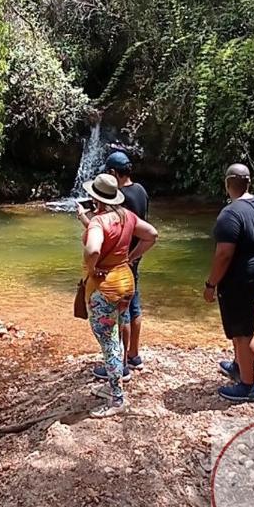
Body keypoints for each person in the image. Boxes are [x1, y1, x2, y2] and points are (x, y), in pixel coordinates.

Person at [80, 173, 158, 418]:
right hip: (126, 281)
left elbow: (93, 249)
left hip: (105, 287)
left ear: (96, 199)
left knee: (109, 343)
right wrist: (131, 257)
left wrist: (92, 270)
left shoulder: (97, 222)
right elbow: (152, 234)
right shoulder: (127, 216)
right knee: (120, 330)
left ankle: (117, 399)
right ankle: (117, 381)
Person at [203, 163, 254, 403]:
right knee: (240, 319)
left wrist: (211, 284)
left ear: (227, 184)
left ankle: (248, 386)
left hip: (242, 276)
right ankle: (238, 366)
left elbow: (223, 254)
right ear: (249, 182)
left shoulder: (230, 213)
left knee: (244, 331)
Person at [82, 150, 150, 380]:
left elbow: (103, 235)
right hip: (130, 260)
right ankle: (133, 355)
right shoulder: (140, 190)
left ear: (112, 173)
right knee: (133, 307)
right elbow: (149, 232)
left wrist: (87, 220)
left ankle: (119, 365)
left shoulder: (122, 201)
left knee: (120, 317)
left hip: (116, 263)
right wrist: (134, 255)